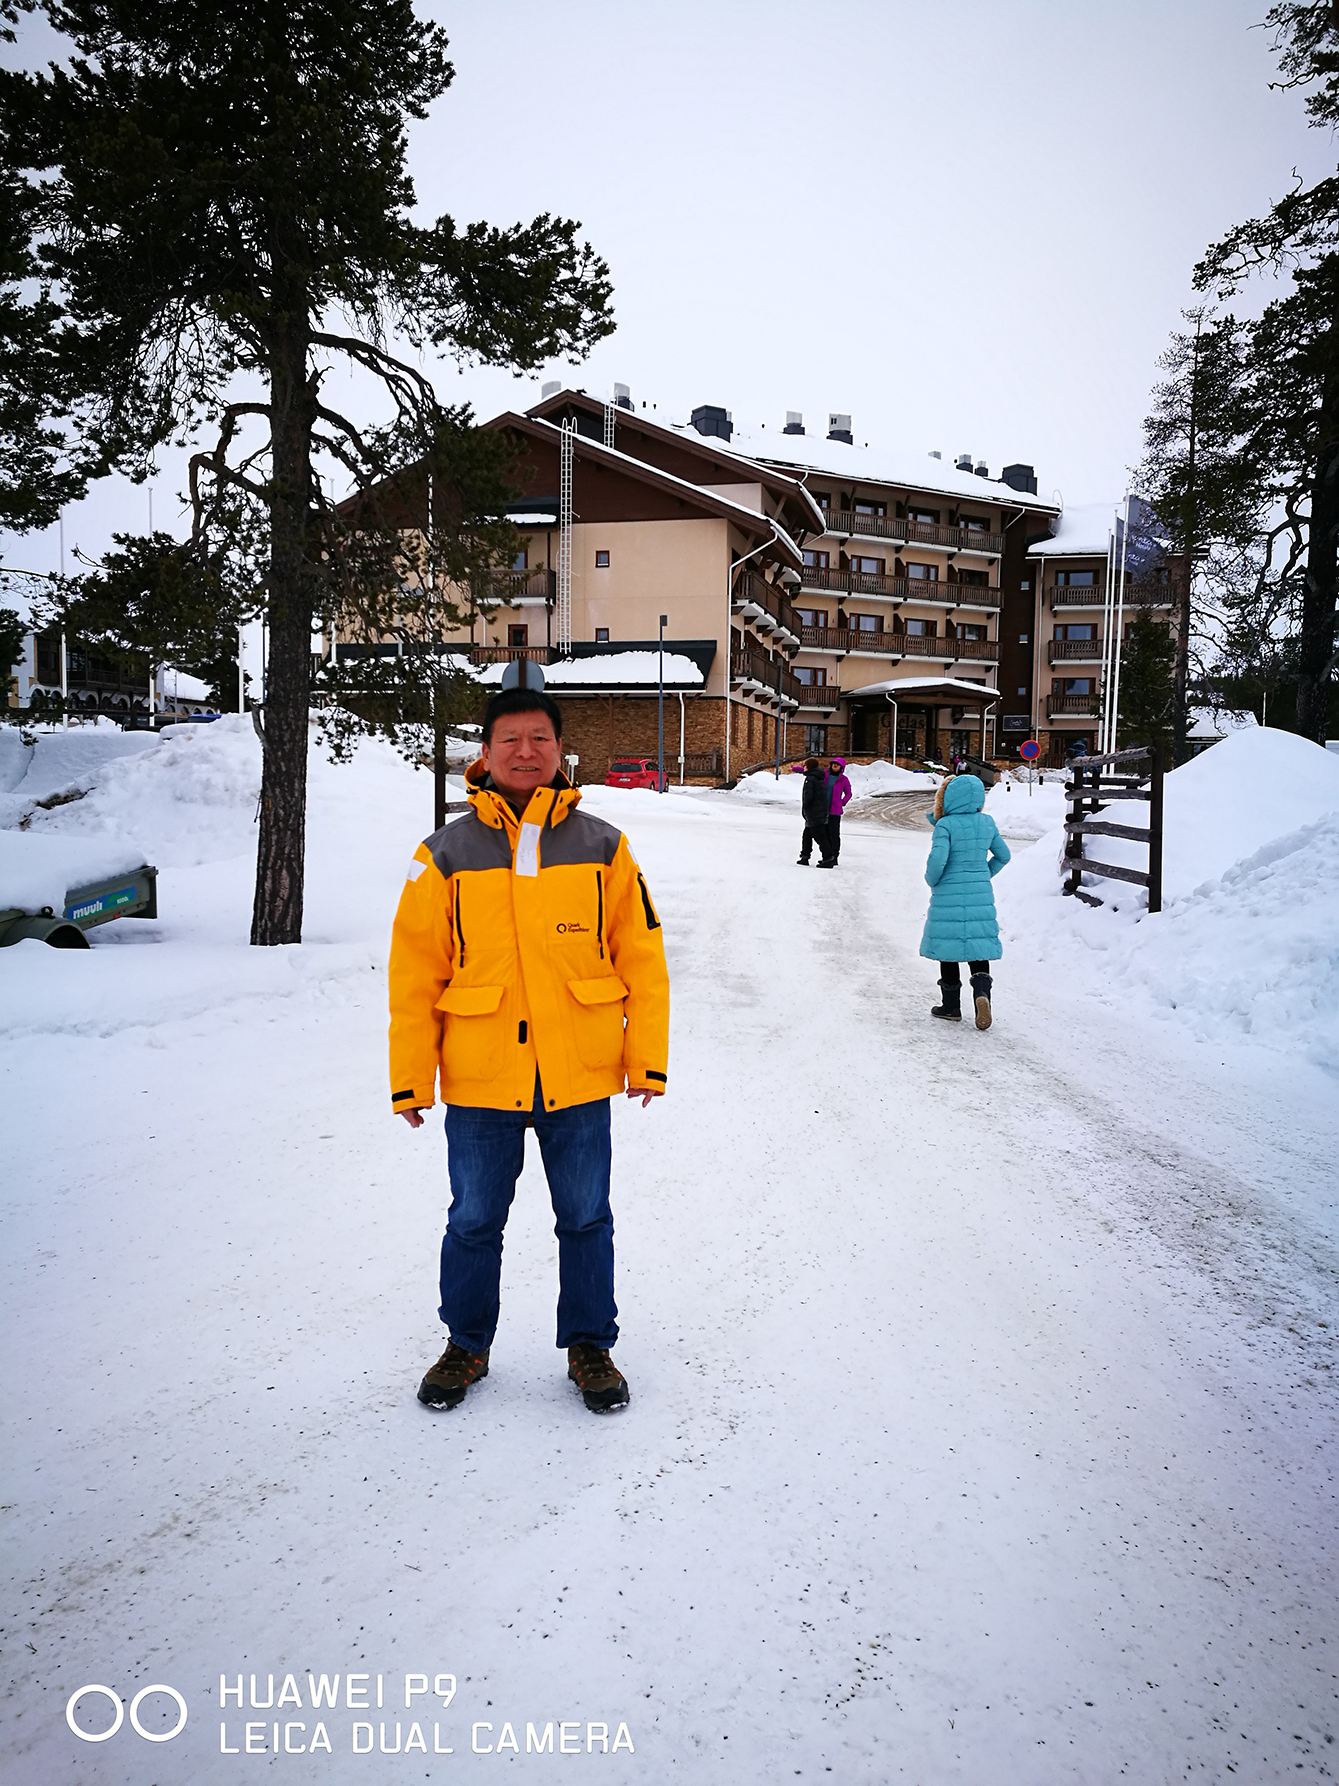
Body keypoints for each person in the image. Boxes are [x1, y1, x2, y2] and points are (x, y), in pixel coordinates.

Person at [388, 685, 669, 1415]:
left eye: (538, 738)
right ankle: (465, 1345)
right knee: (473, 1220)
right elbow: (414, 974)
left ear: (558, 750)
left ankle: (589, 1347)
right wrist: (411, 1079)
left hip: (576, 1075)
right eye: (509, 738)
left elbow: (640, 956)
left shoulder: (603, 845)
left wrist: (647, 1058)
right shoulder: (442, 853)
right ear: (483, 753)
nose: (524, 751)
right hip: (482, 1079)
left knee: (585, 1218)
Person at [919, 773, 1011, 1029]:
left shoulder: (945, 826)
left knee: (949, 950)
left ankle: (951, 1007)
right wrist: (983, 874)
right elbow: (1003, 855)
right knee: (978, 947)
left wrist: (932, 880)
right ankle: (982, 995)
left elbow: (938, 861)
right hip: (980, 892)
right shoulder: (987, 823)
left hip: (948, 891)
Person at [815, 756, 852, 868]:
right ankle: (826, 856)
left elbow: (848, 793)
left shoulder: (844, 779)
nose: (834, 766)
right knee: (824, 835)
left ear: (841, 767)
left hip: (835, 811)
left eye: (837, 764)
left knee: (834, 835)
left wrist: (842, 802)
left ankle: (834, 856)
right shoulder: (825, 776)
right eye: (833, 764)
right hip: (823, 810)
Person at [795, 756, 830, 864]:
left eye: (804, 766)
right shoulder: (818, 777)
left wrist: (806, 808)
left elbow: (808, 796)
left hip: (814, 813)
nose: (803, 768)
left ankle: (828, 858)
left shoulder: (811, 779)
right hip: (817, 811)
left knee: (819, 836)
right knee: (807, 835)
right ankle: (805, 856)